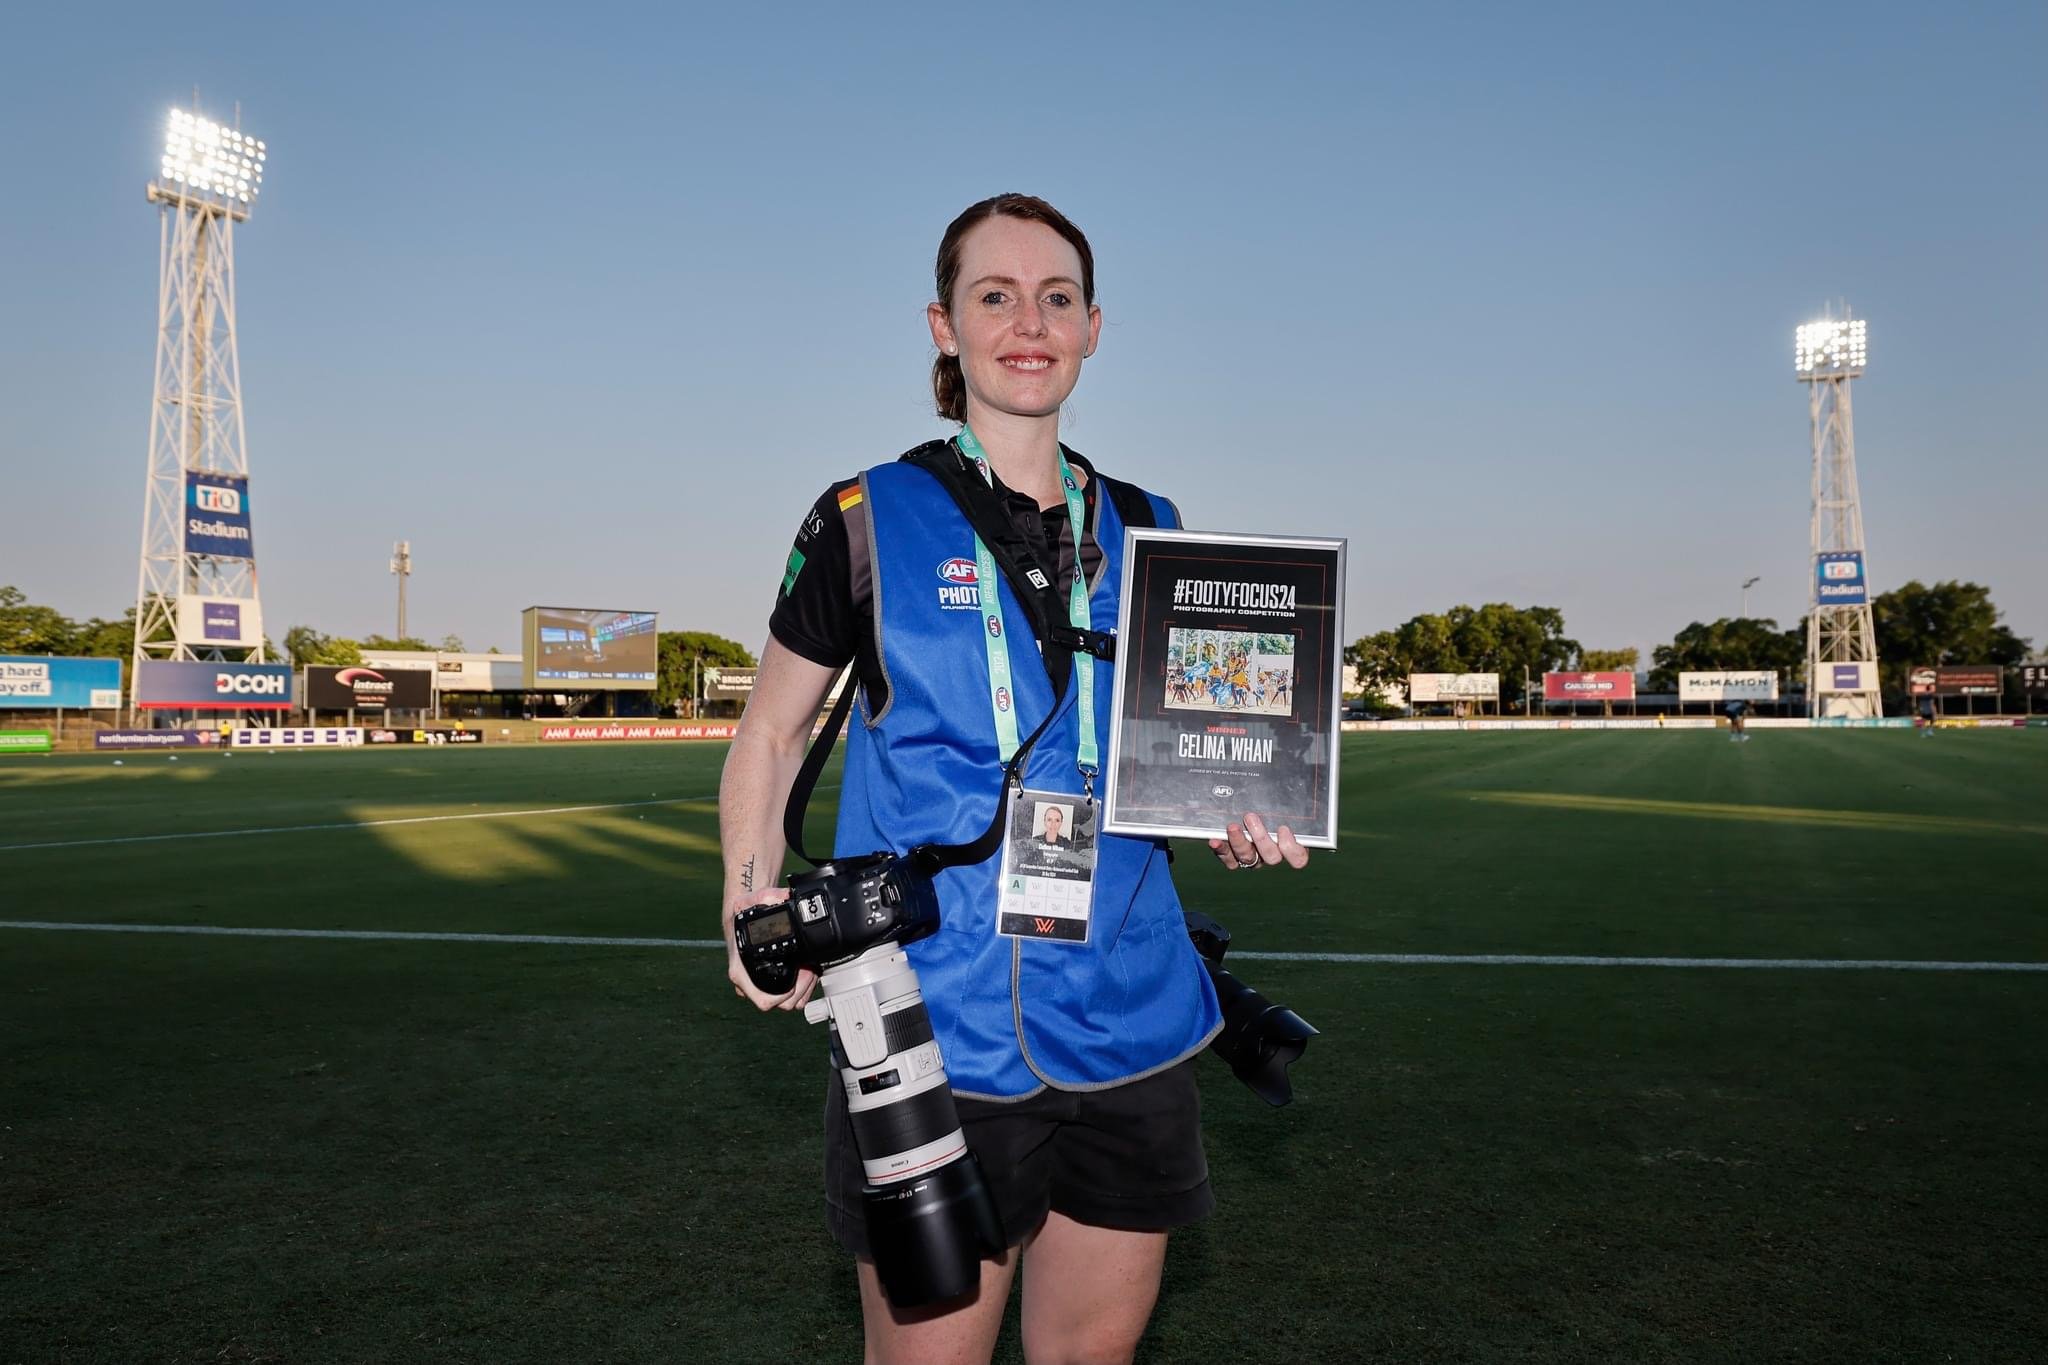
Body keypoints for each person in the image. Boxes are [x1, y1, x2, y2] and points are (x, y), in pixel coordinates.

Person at [719, 194, 1312, 1365]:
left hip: (1132, 1020)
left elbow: (1194, 758)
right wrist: (748, 900)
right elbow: (771, 734)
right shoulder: (864, 517)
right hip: (931, 1033)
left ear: (1094, 327)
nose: (1026, 322)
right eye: (994, 296)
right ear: (943, 326)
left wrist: (1241, 818)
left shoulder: (1157, 530)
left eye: (1055, 299)